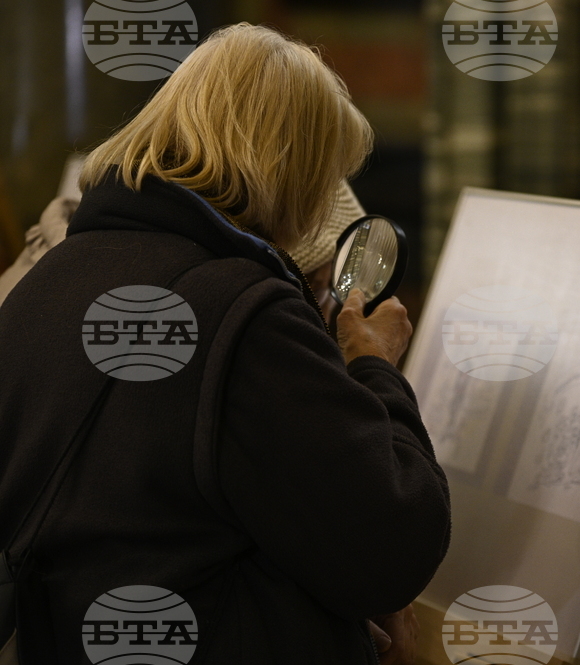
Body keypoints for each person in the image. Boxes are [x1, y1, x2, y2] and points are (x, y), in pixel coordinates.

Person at [0, 23, 449, 665]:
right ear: (291, 169)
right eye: (324, 173)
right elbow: (392, 547)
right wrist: (373, 365)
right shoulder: (245, 313)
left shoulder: (49, 280)